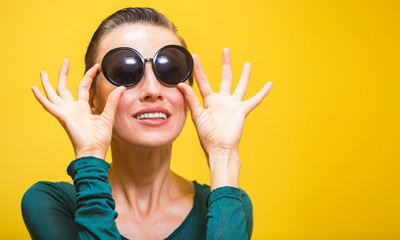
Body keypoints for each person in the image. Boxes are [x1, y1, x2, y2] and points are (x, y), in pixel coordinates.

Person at [21, 7, 272, 240]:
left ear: (187, 96)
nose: (152, 90)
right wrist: (89, 155)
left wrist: (223, 157)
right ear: (91, 99)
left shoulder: (227, 201)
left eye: (170, 69)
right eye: (125, 72)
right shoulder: (50, 202)